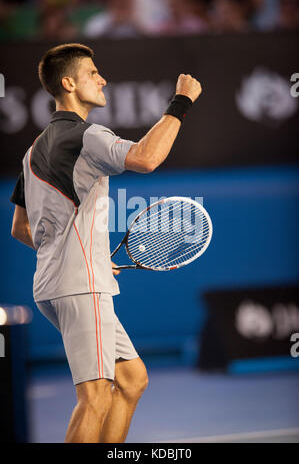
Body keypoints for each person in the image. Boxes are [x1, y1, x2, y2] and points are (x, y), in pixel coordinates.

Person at [10, 43, 201, 443]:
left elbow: (20, 228)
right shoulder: (88, 136)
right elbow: (147, 158)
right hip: (81, 285)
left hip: (54, 285)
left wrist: (79, 254)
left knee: (131, 380)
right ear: (68, 84)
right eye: (93, 73)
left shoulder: (33, 152)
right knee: (95, 397)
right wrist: (181, 101)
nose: (103, 79)